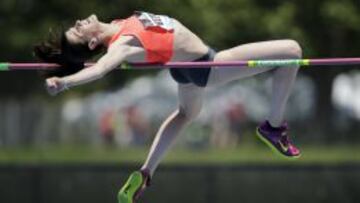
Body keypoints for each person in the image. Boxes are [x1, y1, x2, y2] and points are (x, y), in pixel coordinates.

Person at [34, 11, 302, 203]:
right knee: (292, 51)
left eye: (76, 25)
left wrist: (63, 62)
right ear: (93, 43)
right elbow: (102, 69)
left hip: (183, 69)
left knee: (187, 114)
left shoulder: (119, 25)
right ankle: (274, 127)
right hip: (208, 65)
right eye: (79, 30)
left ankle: (146, 172)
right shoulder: (122, 45)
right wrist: (65, 82)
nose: (80, 22)